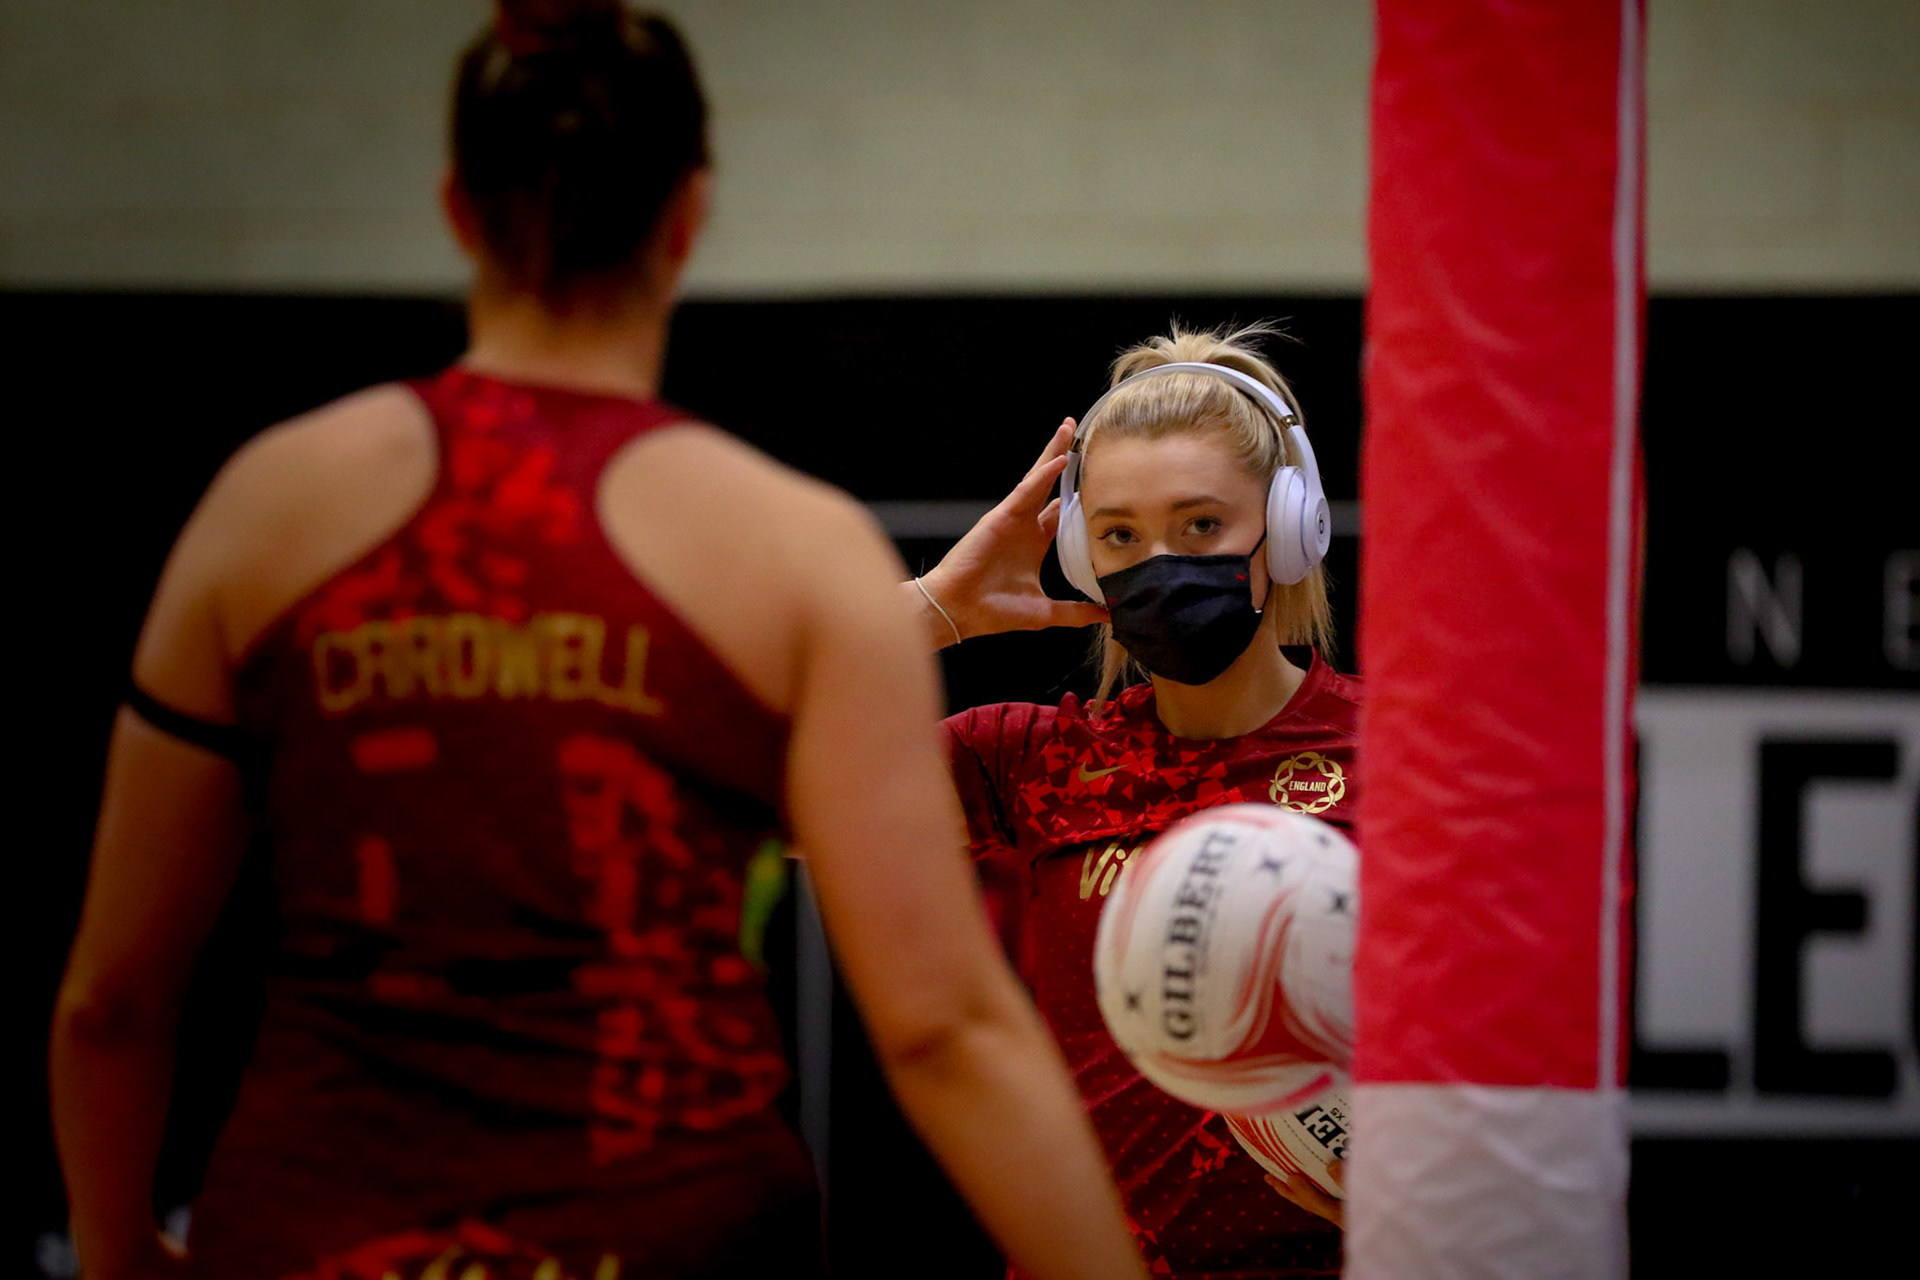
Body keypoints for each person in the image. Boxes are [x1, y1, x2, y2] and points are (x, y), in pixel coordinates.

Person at [48, 5, 1147, 1279]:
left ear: (458, 208)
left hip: (321, 1233)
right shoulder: (792, 549)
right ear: (688, 218)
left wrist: (118, 1245)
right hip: (672, 1236)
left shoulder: (271, 507)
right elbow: (945, 1030)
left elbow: (115, 998)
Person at [904, 324, 1361, 1277]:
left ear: (1289, 528)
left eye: (1201, 526)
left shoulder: (1402, 757)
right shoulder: (1031, 759)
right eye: (1119, 535)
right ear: (1081, 555)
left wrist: (1426, 1177)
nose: (1161, 562)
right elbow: (727, 782)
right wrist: (936, 608)